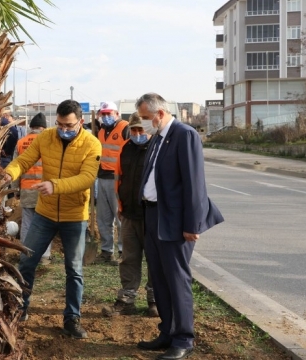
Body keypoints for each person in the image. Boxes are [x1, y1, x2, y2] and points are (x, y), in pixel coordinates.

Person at [135, 93, 224, 360]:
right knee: (158, 276)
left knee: (176, 278)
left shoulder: (185, 135)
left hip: (175, 220)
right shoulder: (157, 138)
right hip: (153, 216)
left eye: (146, 118)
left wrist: (192, 224)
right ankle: (167, 331)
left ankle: (184, 338)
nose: (143, 124)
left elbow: (195, 184)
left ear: (159, 114)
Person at [4, 100, 102, 339]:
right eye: (59, 124)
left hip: (74, 217)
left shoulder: (92, 144)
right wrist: (8, 173)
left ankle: (72, 319)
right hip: (44, 214)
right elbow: (24, 161)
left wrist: (54, 185)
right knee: (27, 262)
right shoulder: (46, 137)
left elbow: (87, 178)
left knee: (74, 269)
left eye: (68, 125)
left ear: (80, 121)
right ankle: (21, 309)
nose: (63, 129)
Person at [102, 112, 158, 318]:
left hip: (151, 215)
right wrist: (120, 204)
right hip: (128, 214)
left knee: (154, 258)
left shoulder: (158, 149)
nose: (136, 134)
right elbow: (119, 178)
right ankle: (127, 300)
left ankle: (155, 301)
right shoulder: (125, 148)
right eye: (133, 130)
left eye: (140, 130)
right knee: (129, 258)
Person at [13, 112, 52, 265]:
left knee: (27, 223)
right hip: (45, 190)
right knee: (46, 223)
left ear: (31, 127)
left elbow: (16, 166)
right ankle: (44, 256)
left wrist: (15, 189)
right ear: (44, 128)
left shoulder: (21, 142)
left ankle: (26, 254)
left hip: (27, 189)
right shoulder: (48, 142)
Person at [95, 101, 129, 263]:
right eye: (104, 114)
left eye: (110, 113)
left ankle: (124, 251)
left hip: (118, 179)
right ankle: (106, 251)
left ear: (117, 114)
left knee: (120, 217)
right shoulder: (101, 130)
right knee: (103, 217)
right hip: (101, 177)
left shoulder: (125, 128)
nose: (106, 116)